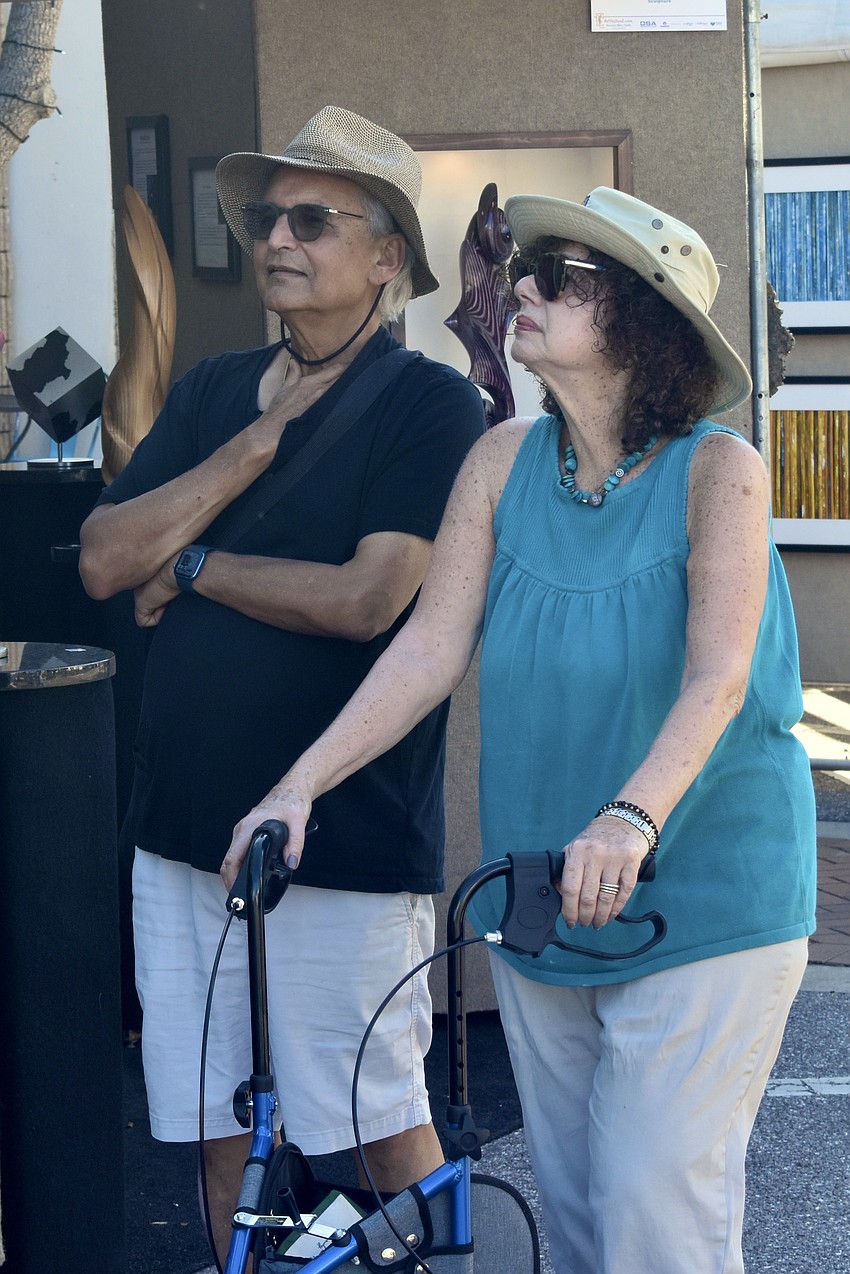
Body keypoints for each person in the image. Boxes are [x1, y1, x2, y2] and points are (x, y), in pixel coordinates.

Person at [224, 187, 817, 1274]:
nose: (519, 290)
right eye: (524, 269)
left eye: (559, 277)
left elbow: (720, 675)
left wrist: (629, 818)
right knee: (585, 1213)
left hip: (710, 885)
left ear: (642, 321)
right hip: (544, 889)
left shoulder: (718, 469)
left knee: (656, 1208)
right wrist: (295, 785)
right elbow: (425, 649)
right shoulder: (500, 462)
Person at [79, 105, 484, 1260]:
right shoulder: (213, 393)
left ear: (388, 257)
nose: (278, 240)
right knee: (217, 1129)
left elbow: (371, 597)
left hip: (342, 841)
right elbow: (109, 558)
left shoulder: (430, 405)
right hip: (178, 837)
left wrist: (194, 564)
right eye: (268, 218)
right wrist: (252, 450)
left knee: (373, 1127)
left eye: (315, 218)